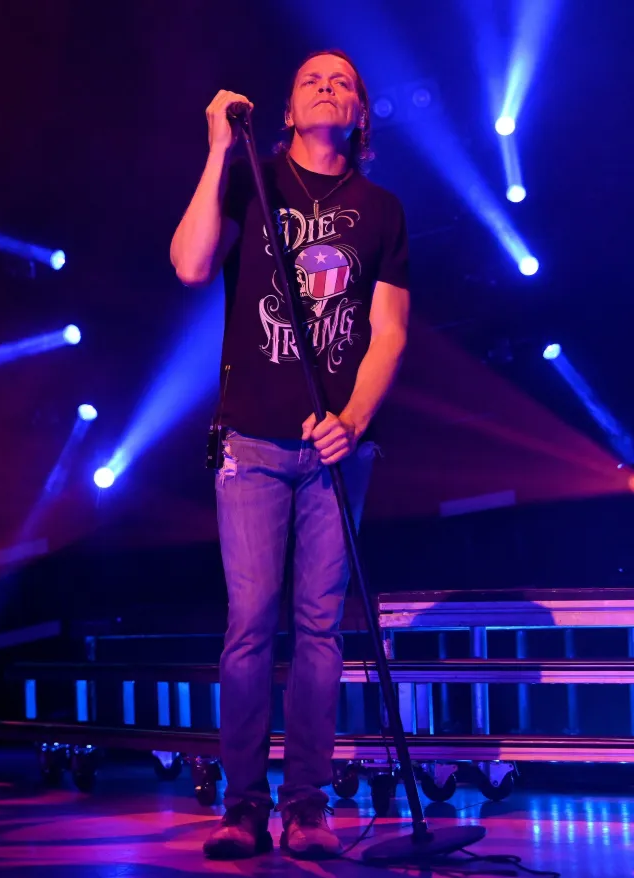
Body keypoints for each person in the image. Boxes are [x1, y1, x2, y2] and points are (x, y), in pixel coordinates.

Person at [169, 49, 410, 860]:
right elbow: (191, 264)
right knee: (249, 625)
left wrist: (354, 419)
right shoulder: (253, 180)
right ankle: (242, 805)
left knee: (320, 630)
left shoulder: (381, 210)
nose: (327, 86)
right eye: (312, 78)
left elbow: (389, 331)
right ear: (286, 110)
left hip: (337, 450)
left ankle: (308, 806)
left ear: (360, 114)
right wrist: (217, 151)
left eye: (343, 82)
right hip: (251, 440)